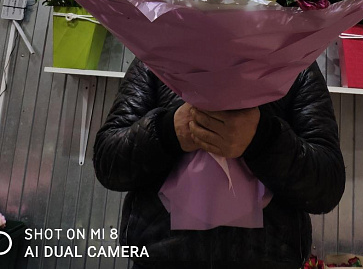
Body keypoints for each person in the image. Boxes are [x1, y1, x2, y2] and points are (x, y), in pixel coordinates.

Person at [93, 58, 346, 269]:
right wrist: (168, 132)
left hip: (269, 258)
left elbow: (327, 185)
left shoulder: (294, 60)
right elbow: (108, 163)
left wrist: (262, 139)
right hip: (159, 256)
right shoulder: (157, 55)